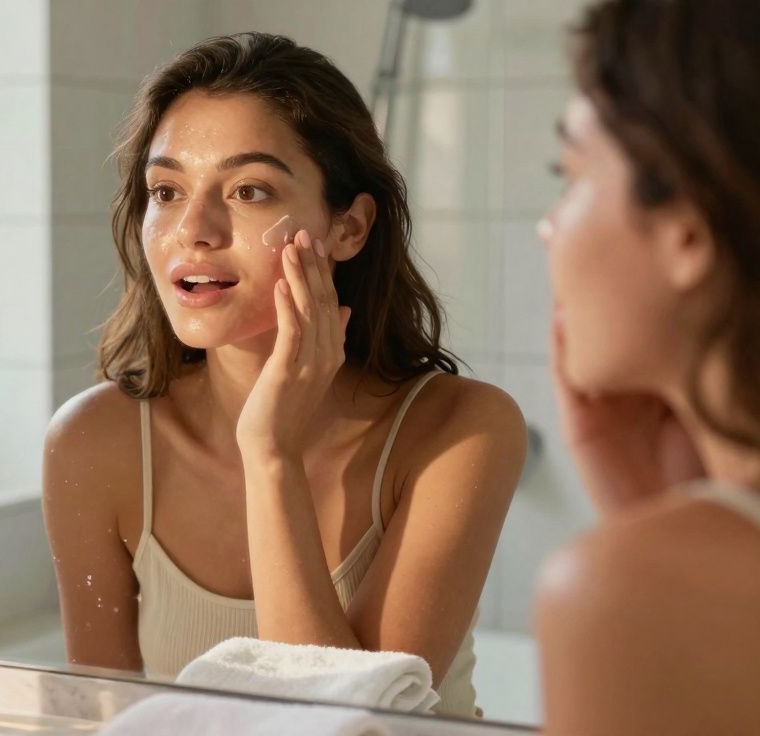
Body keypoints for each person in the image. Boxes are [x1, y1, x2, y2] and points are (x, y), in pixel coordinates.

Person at [43, 32, 526, 718]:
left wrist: (271, 456)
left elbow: (351, 729)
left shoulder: (461, 431)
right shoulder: (94, 442)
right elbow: (103, 719)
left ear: (349, 228)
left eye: (249, 190)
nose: (194, 229)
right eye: (166, 190)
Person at [535, 1, 760, 733]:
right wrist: (654, 510)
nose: (548, 228)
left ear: (688, 232)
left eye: (570, 175)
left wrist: (644, 554)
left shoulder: (617, 592)